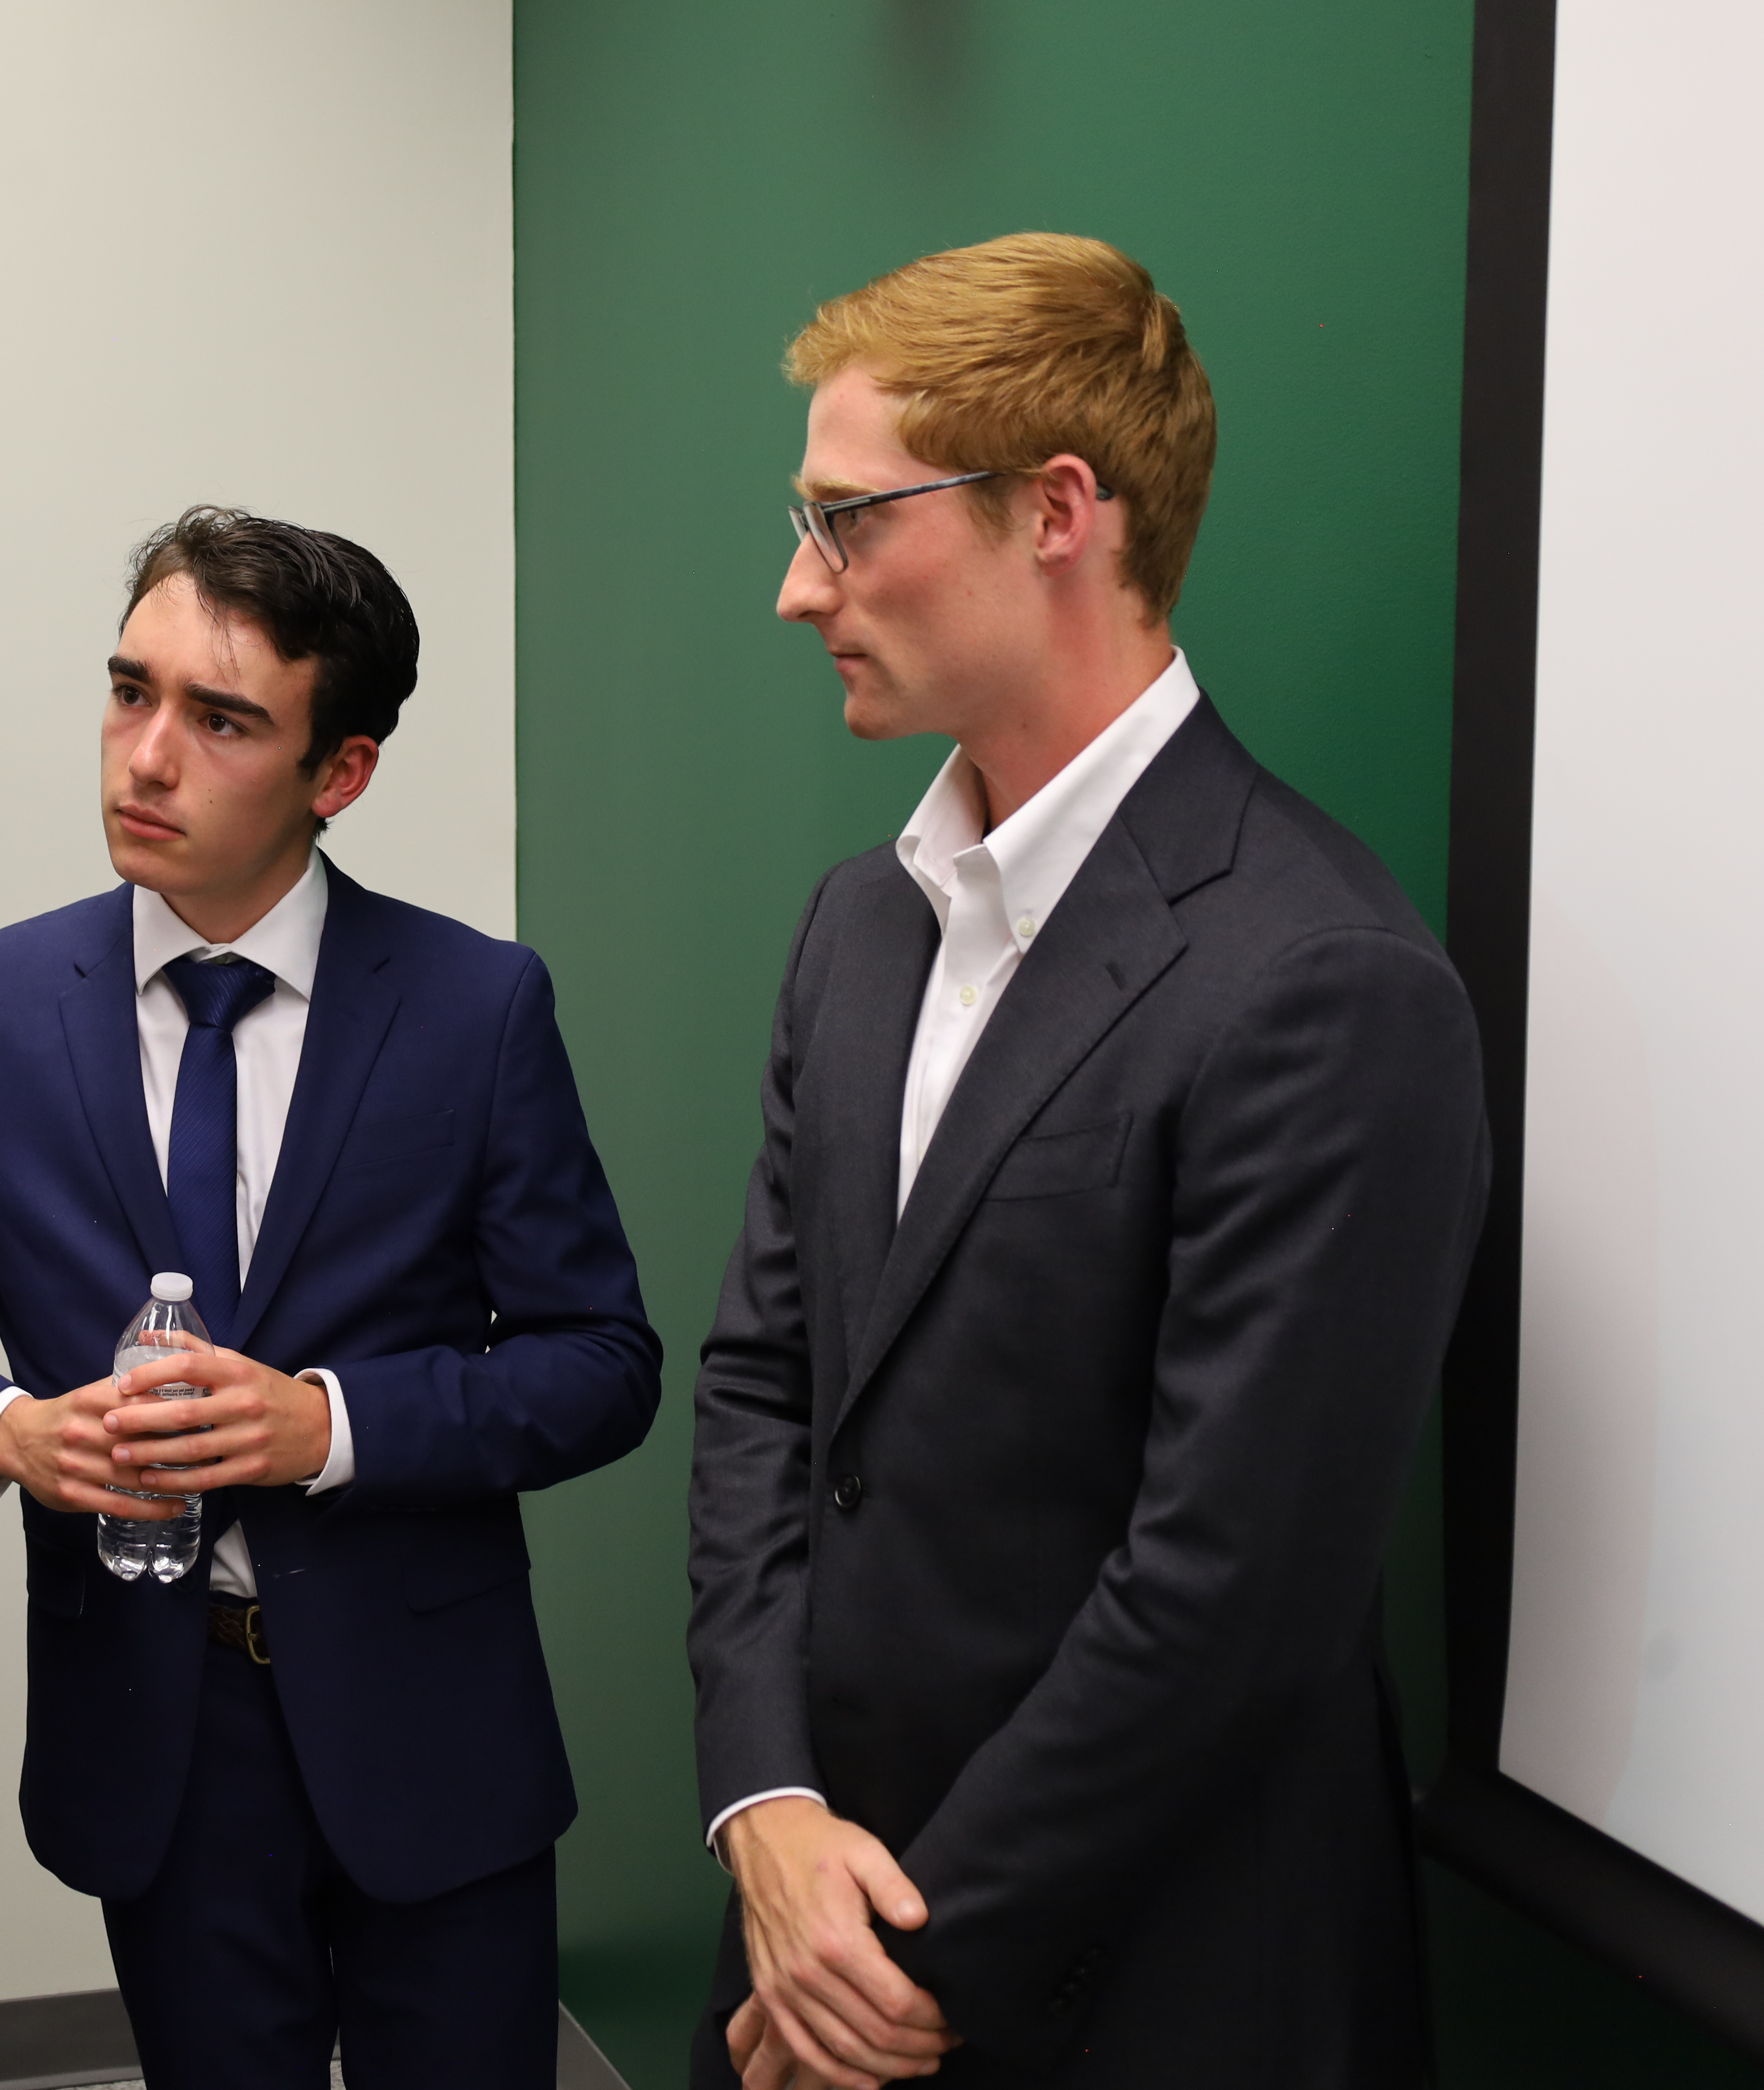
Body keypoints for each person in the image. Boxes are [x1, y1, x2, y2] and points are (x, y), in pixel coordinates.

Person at [686, 235, 1489, 2090]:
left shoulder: (1326, 980)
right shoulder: (858, 925)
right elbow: (763, 1390)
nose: (795, 590)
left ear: (1057, 510)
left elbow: (1231, 1593)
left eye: (846, 523)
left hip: (1144, 1983)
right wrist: (768, 1807)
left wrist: (893, 1958)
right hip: (825, 1912)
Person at [0, 508, 660, 2088]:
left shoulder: (475, 1008)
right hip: (157, 1741)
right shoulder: (6, 1003)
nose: (144, 758)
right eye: (129, 692)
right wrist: (9, 1430)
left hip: (433, 1733)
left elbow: (604, 1366)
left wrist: (332, 1425)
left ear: (340, 771)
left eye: (221, 719)